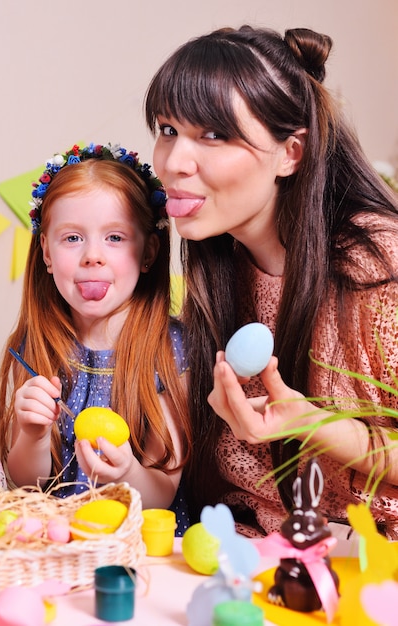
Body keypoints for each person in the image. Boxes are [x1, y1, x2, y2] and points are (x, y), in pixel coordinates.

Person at [145, 25, 398, 539]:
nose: (173, 163)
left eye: (213, 134)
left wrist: (312, 424)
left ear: (291, 153)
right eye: (168, 129)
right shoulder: (219, 267)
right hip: (249, 553)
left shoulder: (377, 267)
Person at [0, 143, 191, 534]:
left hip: (141, 550)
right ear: (47, 253)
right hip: (61, 546)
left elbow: (162, 492)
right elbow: (25, 484)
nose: (93, 256)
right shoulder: (37, 342)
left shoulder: (170, 348)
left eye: (115, 237)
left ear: (149, 251)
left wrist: (128, 473)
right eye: (72, 238)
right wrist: (33, 436)